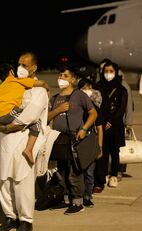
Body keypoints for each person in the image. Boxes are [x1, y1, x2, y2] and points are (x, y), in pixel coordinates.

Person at [0, 52, 49, 231]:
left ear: (34, 68)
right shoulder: (14, 86)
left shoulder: (39, 91)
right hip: (5, 140)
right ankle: (10, 216)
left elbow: (30, 115)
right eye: (19, 64)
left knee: (22, 181)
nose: (20, 68)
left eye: (25, 65)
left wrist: (7, 127)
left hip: (23, 139)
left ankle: (25, 219)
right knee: (3, 179)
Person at [48, 66, 97, 214]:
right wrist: (58, 110)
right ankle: (64, 199)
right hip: (58, 138)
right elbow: (46, 118)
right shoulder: (55, 98)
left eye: (66, 76)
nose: (61, 77)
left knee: (74, 171)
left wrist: (83, 129)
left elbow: (93, 113)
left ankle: (77, 202)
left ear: (73, 80)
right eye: (60, 74)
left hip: (74, 138)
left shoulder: (80, 95)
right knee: (60, 170)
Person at [0, 63, 48, 165]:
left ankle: (3, 128)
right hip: (7, 114)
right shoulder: (17, 80)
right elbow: (41, 83)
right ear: (11, 72)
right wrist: (47, 90)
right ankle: (28, 149)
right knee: (35, 122)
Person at [93, 60, 127, 191]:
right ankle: (103, 175)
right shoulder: (98, 86)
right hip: (101, 124)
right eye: (106, 71)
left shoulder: (121, 89)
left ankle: (114, 174)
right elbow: (96, 105)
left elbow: (121, 109)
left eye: (111, 71)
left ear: (116, 72)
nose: (108, 74)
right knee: (104, 151)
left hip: (115, 125)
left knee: (115, 151)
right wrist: (102, 121)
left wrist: (110, 121)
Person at [78, 78, 104, 207]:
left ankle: (87, 196)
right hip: (77, 142)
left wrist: (99, 146)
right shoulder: (76, 107)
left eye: (88, 87)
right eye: (83, 87)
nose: (86, 90)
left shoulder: (95, 108)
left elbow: (100, 129)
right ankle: (77, 195)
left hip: (90, 142)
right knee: (78, 172)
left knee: (89, 172)